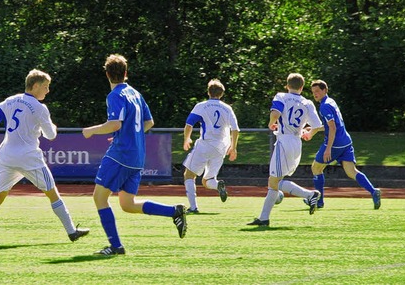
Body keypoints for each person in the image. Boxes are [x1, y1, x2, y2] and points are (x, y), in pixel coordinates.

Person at [82, 54, 187, 256]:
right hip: (137, 157)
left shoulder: (115, 96)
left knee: (99, 198)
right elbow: (149, 122)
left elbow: (115, 124)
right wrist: (128, 134)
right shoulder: (135, 93)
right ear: (126, 73)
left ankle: (115, 247)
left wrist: (91, 130)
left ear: (106, 74)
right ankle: (174, 211)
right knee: (127, 204)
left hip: (120, 155)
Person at [0, 69, 89, 245]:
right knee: (53, 194)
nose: (48, 91)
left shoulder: (11, 100)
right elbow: (51, 135)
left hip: (7, 156)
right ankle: (72, 232)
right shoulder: (40, 108)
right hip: (28, 157)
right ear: (35, 86)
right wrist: (52, 126)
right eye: (46, 87)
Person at [247, 73, 323, 227]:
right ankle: (264, 218)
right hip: (296, 143)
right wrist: (308, 133)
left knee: (274, 180)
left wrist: (271, 123)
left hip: (284, 140)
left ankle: (309, 195)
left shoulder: (282, 96)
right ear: (302, 87)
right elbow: (318, 126)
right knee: (275, 180)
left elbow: (275, 113)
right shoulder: (307, 102)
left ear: (288, 86)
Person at [301, 80, 381, 209]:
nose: (315, 94)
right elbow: (331, 125)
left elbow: (332, 128)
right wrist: (313, 130)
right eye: (313, 92)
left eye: (317, 91)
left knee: (316, 168)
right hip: (346, 141)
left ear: (325, 90)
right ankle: (373, 191)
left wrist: (328, 149)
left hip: (335, 144)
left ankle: (319, 201)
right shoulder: (331, 101)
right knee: (351, 171)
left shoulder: (324, 106)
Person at [182, 79, 240, 214]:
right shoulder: (228, 108)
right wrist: (233, 147)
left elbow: (189, 124)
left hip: (205, 144)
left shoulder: (201, 106)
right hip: (221, 147)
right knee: (207, 180)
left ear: (208, 92)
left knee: (189, 175)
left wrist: (187, 138)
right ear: (222, 94)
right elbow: (235, 129)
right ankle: (217, 184)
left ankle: (193, 207)